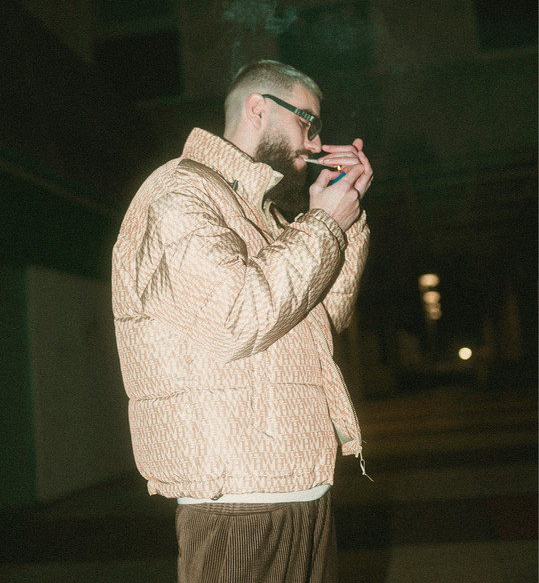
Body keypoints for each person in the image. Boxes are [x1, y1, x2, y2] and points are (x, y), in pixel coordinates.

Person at [112, 59, 373, 582]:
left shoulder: (262, 213)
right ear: (258, 108)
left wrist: (345, 221)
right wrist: (324, 224)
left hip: (302, 487)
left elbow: (326, 317)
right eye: (307, 122)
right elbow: (234, 316)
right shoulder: (179, 193)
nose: (315, 143)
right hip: (236, 503)